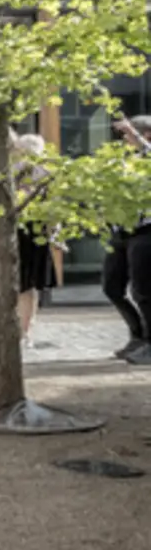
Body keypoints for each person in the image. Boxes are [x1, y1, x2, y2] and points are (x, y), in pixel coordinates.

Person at [103, 114, 151, 364]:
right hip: (121, 232)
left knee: (143, 291)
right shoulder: (125, 162)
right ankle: (138, 336)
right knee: (112, 287)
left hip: (146, 231)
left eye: (127, 137)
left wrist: (135, 136)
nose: (124, 141)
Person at [8, 133, 56, 347]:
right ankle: (25, 331)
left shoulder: (18, 171)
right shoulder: (45, 172)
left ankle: (23, 330)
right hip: (33, 231)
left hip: (26, 230)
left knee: (24, 284)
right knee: (28, 286)